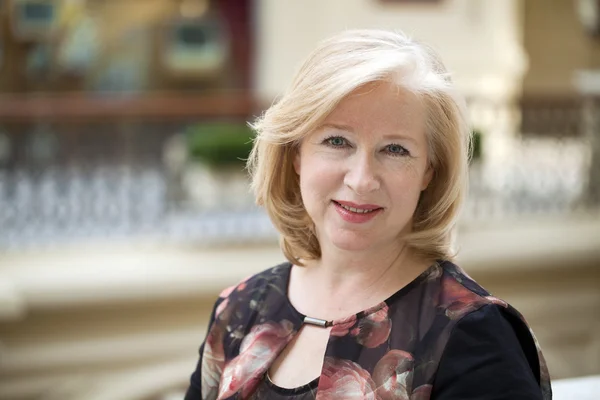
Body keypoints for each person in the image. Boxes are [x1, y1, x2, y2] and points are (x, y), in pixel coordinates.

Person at [184, 29, 552, 400]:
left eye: (395, 149)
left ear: (430, 171)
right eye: (337, 141)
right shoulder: (238, 309)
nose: (361, 180)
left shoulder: (474, 336)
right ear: (296, 154)